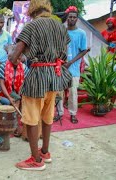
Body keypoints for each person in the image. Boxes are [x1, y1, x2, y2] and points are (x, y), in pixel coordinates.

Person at [9, 0, 72, 170]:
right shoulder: (60, 26)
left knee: (30, 119)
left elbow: (14, 57)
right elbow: (64, 54)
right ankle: (45, 151)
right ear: (48, 8)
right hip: (54, 76)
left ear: (31, 10)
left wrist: (13, 55)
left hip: (37, 77)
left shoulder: (32, 26)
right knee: (47, 115)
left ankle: (36, 160)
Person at [54, 6, 88, 124]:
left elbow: (83, 50)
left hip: (73, 68)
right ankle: (60, 113)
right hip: (60, 67)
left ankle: (73, 114)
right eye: (70, 17)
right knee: (59, 91)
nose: (72, 19)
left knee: (73, 92)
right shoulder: (61, 30)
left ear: (77, 19)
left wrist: (71, 62)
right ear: (67, 18)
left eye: (74, 17)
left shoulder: (81, 33)